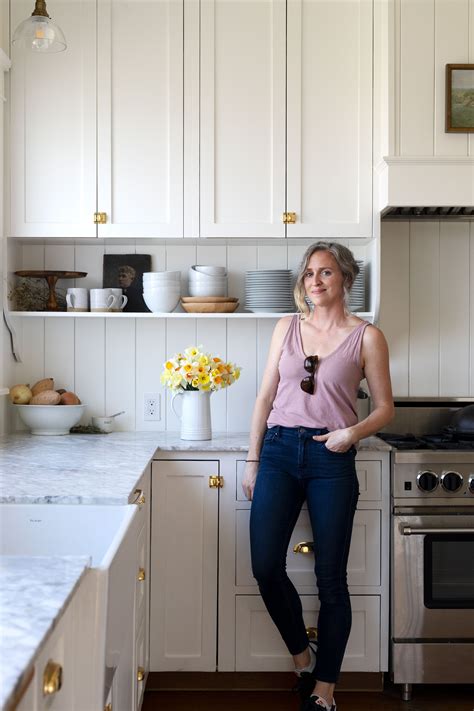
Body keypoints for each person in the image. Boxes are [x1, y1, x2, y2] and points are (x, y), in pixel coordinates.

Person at [242, 241, 394, 711]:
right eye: (309, 273)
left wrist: (350, 433)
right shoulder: (286, 327)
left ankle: (324, 688)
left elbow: (387, 408)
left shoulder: (367, 337)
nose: (315, 281)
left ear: (345, 279)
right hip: (279, 452)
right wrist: (252, 459)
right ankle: (301, 655)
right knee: (266, 566)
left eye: (325, 273)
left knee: (331, 577)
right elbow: (265, 397)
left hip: (332, 456)